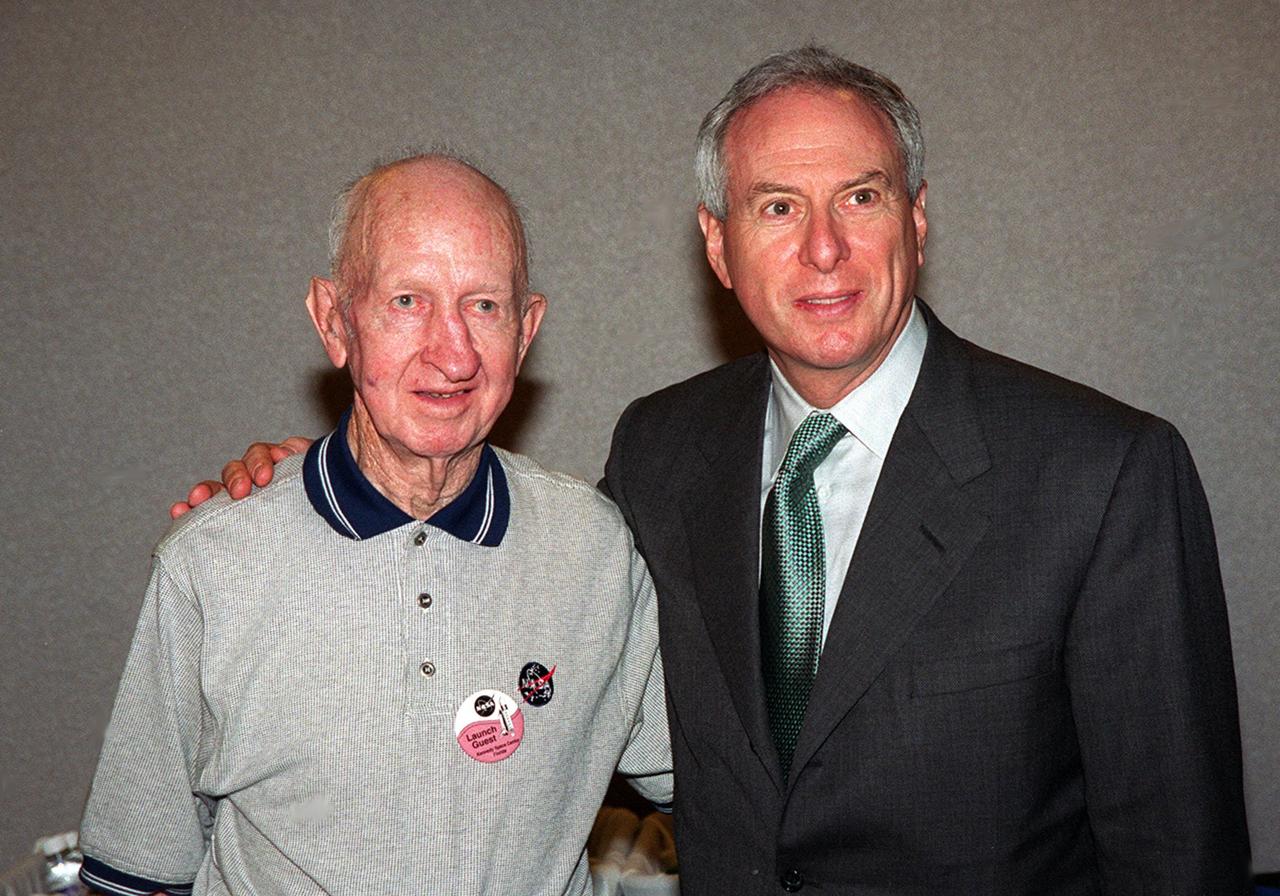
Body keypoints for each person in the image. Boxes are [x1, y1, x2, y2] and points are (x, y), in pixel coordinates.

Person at [180, 49, 1251, 894]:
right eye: (776, 206)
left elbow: (1173, 850)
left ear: (916, 220)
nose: (822, 248)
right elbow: (525, 637)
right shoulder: (658, 451)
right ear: (717, 243)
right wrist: (332, 484)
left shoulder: (1101, 474)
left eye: (861, 197)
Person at [81, 154, 672, 896]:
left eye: (484, 305)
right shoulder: (212, 564)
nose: (452, 352)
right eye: (406, 301)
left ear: (527, 331)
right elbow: (140, 872)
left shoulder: (594, 550)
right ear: (335, 322)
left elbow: (727, 781)